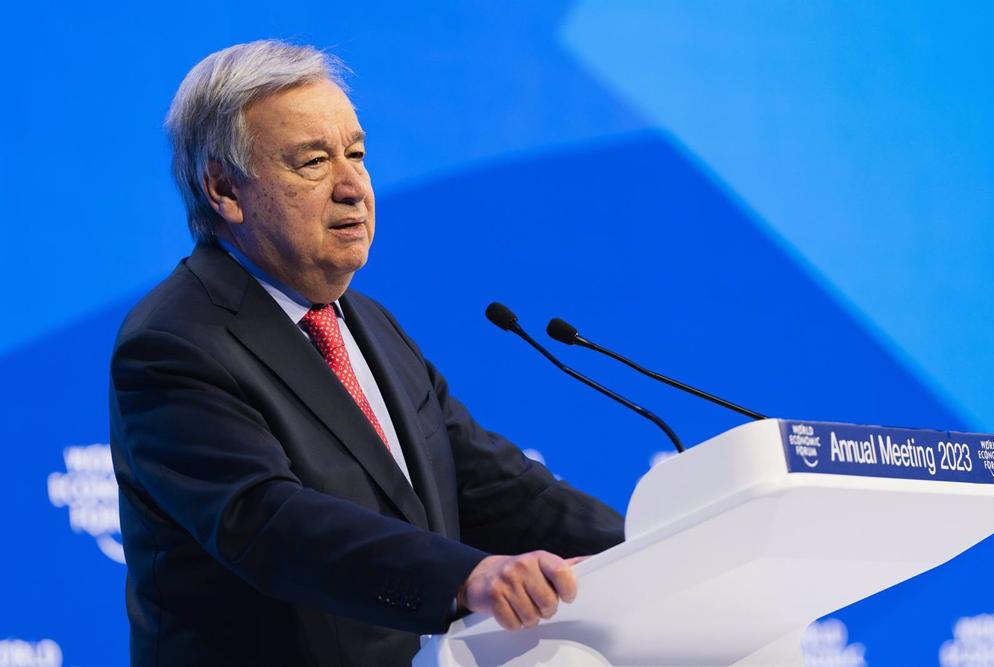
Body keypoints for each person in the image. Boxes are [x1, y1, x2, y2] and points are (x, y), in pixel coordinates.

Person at [109, 39, 624, 667]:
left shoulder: (368, 323)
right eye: (313, 162)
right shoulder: (174, 342)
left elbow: (488, 483)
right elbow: (270, 524)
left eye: (356, 154)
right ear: (224, 188)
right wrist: (465, 576)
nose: (354, 186)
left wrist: (648, 542)